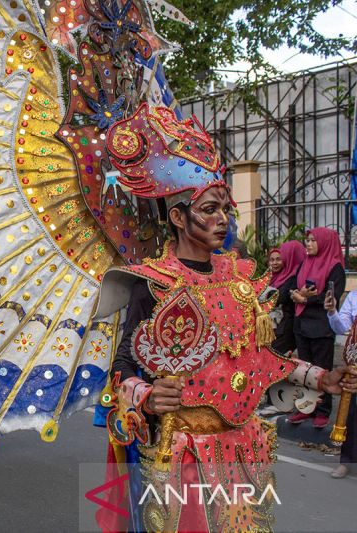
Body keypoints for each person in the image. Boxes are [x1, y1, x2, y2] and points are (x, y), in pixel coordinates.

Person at [93, 105, 357, 532]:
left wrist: (320, 379)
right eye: (210, 210)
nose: (223, 220)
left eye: (225, 210)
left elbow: (259, 360)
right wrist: (145, 395)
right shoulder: (152, 282)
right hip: (181, 451)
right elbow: (122, 365)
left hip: (242, 447)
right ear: (177, 217)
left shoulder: (237, 278)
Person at [288, 228, 346, 427]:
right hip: (302, 324)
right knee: (304, 371)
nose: (309, 244)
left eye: (313, 240)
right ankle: (305, 408)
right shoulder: (305, 263)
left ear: (325, 242)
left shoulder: (334, 267)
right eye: (308, 240)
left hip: (321, 327)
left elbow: (331, 297)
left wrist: (304, 299)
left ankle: (322, 411)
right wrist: (296, 295)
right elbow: (293, 286)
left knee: (322, 371)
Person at [325, 288, 357, 479]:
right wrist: (332, 312)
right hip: (354, 363)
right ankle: (346, 461)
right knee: (351, 414)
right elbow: (341, 326)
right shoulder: (354, 295)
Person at [269, 241, 306, 354]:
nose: (276, 262)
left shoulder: (296, 277)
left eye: (282, 257)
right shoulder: (281, 275)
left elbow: (281, 297)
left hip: (287, 327)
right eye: (272, 260)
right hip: (277, 325)